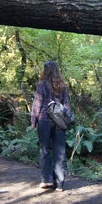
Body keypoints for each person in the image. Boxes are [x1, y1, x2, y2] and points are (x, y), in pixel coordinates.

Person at [30, 60, 70, 192]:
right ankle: (59, 184)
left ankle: (47, 180)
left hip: (45, 120)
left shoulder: (42, 84)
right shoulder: (63, 85)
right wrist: (67, 121)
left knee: (45, 150)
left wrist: (33, 121)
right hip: (60, 122)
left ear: (45, 70)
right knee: (60, 152)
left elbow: (37, 103)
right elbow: (67, 106)